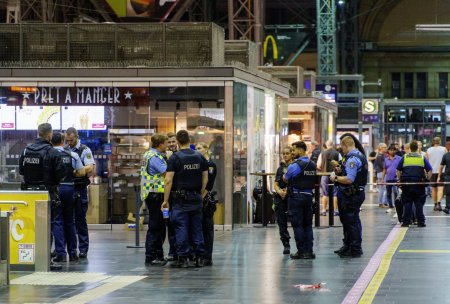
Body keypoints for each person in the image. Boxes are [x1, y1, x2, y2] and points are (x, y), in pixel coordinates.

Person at [19, 123, 65, 270]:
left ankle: (29, 258)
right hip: (46, 194)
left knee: (29, 227)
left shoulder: (26, 151)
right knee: (47, 227)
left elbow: (21, 172)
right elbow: (61, 174)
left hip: (28, 195)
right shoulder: (52, 152)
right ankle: (45, 260)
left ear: (38, 133)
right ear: (49, 134)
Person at [161, 130, 208, 268]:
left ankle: (183, 258)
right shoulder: (199, 156)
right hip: (196, 196)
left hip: (180, 199)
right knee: (197, 227)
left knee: (181, 227)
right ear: (189, 140)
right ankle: (199, 257)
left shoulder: (175, 158)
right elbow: (205, 177)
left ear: (178, 141)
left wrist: (166, 200)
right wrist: (201, 191)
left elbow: (168, 180)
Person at [330, 134, 368, 258]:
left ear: (346, 145)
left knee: (351, 221)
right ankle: (348, 245)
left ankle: (355, 248)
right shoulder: (357, 156)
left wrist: (335, 177)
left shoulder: (352, 159)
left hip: (351, 194)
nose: (342, 150)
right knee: (348, 221)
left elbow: (349, 179)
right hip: (351, 193)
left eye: (342, 147)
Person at [50, 132, 86, 263]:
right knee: (70, 221)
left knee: (57, 221)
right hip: (70, 188)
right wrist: (72, 173)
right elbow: (82, 172)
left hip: (56, 189)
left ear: (51, 142)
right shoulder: (72, 154)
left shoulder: (50, 154)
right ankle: (73, 253)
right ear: (63, 141)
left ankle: (61, 253)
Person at [283, 141, 317, 260]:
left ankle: (302, 252)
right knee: (308, 225)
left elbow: (286, 179)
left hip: (296, 197)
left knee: (298, 225)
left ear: (301, 150)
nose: (292, 152)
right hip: (308, 197)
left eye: (294, 150)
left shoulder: (295, 165)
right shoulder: (312, 164)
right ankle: (310, 251)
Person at [65, 127, 95, 259]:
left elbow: (90, 167)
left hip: (79, 188)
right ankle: (69, 248)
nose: (69, 143)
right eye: (67, 140)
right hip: (67, 187)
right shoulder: (65, 149)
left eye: (71, 140)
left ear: (76, 137)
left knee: (80, 220)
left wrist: (77, 170)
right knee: (67, 220)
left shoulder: (84, 149)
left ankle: (83, 249)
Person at [141, 133, 169, 266]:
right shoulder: (155, 157)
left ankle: (158, 254)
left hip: (153, 194)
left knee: (159, 225)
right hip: (156, 195)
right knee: (156, 226)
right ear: (160, 144)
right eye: (166, 143)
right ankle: (151, 256)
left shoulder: (148, 154)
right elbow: (166, 173)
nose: (168, 145)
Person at [397, 140, 432, 227]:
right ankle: (421, 222)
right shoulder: (422, 157)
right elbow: (430, 170)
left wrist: (400, 179)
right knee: (419, 204)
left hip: (407, 184)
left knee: (407, 203)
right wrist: (427, 179)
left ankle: (406, 222)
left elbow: (398, 170)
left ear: (410, 148)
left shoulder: (404, 157)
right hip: (419, 184)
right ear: (417, 148)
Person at [195, 142, 217, 266]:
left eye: (199, 148)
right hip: (198, 198)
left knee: (207, 229)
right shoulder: (198, 164)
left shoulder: (210, 165)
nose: (197, 150)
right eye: (196, 148)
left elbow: (209, 184)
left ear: (206, 149)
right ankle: (199, 254)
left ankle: (207, 257)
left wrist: (201, 197)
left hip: (206, 200)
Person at [273, 146, 293, 255]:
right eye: (283, 153)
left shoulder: (295, 167)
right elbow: (275, 183)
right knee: (281, 222)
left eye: (287, 153)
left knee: (296, 221)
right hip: (280, 197)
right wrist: (279, 191)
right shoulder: (280, 169)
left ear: (291, 154)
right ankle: (286, 244)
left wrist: (287, 191)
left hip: (291, 197)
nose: (285, 155)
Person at [317, 139, 340, 216]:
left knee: (324, 193)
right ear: (332, 145)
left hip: (324, 175)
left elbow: (318, 165)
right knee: (335, 193)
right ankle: (335, 210)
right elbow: (341, 165)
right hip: (334, 175)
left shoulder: (322, 153)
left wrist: (323, 168)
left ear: (326, 145)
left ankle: (323, 210)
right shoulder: (337, 153)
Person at [165, 131, 178, 261]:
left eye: (173, 141)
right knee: (170, 224)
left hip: (180, 194)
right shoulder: (164, 156)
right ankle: (172, 251)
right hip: (169, 195)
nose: (171, 144)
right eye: (169, 142)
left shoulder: (181, 155)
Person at [426, 137, 447, 211]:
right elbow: (447, 159)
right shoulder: (444, 149)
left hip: (432, 171)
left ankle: (435, 205)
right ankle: (439, 204)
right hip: (442, 171)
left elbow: (427, 161)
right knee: (440, 188)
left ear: (433, 142)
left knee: (434, 189)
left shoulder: (429, 150)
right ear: (440, 141)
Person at [382, 144, 402, 213]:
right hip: (388, 179)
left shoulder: (399, 158)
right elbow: (384, 169)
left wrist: (400, 177)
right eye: (390, 150)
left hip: (396, 179)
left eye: (393, 150)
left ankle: (397, 206)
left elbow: (401, 168)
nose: (392, 151)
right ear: (388, 151)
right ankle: (390, 206)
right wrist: (382, 178)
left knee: (396, 192)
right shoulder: (386, 159)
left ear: (395, 151)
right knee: (388, 193)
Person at [375, 143, 388, 208]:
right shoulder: (380, 156)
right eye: (384, 147)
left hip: (381, 173)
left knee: (382, 189)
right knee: (383, 189)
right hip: (381, 174)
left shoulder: (382, 155)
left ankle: (383, 202)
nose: (386, 148)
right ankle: (381, 203)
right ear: (380, 148)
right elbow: (383, 166)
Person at [438, 149, 450, 214]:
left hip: (447, 176)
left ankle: (447, 207)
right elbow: (441, 166)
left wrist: (439, 176)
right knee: (448, 192)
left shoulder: (446, 155)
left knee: (448, 193)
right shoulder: (445, 155)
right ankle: (447, 207)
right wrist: (439, 176)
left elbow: (441, 166)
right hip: (448, 176)